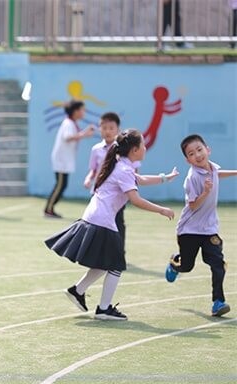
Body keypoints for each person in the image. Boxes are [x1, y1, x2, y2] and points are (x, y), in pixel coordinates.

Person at [46, 129, 176, 321]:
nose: (145, 147)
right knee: (115, 265)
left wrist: (165, 178)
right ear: (134, 150)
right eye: (142, 144)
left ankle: (77, 290)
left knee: (104, 262)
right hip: (102, 220)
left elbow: (140, 180)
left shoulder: (122, 165)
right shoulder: (124, 169)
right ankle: (104, 309)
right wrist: (161, 210)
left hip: (95, 217)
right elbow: (136, 199)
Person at [165, 134, 237, 317]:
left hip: (209, 229)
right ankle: (175, 264)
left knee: (218, 264)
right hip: (189, 230)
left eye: (199, 150)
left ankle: (218, 302)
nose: (197, 155)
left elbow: (217, 175)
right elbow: (193, 205)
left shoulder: (212, 168)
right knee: (187, 266)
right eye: (191, 153)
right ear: (187, 159)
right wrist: (205, 192)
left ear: (207, 149)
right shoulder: (192, 178)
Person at [84, 112, 127, 249]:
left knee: (118, 221)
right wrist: (88, 179)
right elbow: (93, 169)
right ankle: (97, 252)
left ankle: (119, 251)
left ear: (118, 130)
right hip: (99, 192)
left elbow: (132, 170)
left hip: (116, 193)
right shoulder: (96, 149)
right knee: (96, 223)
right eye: (104, 127)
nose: (107, 131)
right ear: (99, 128)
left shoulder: (123, 150)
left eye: (111, 128)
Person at [44, 100, 95, 218]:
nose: (84, 112)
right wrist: (85, 134)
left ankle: (50, 208)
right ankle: (48, 209)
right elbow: (68, 137)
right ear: (75, 111)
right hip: (61, 160)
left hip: (65, 159)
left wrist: (84, 132)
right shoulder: (68, 123)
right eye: (82, 110)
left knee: (62, 185)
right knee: (60, 185)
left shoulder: (72, 123)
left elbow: (73, 136)